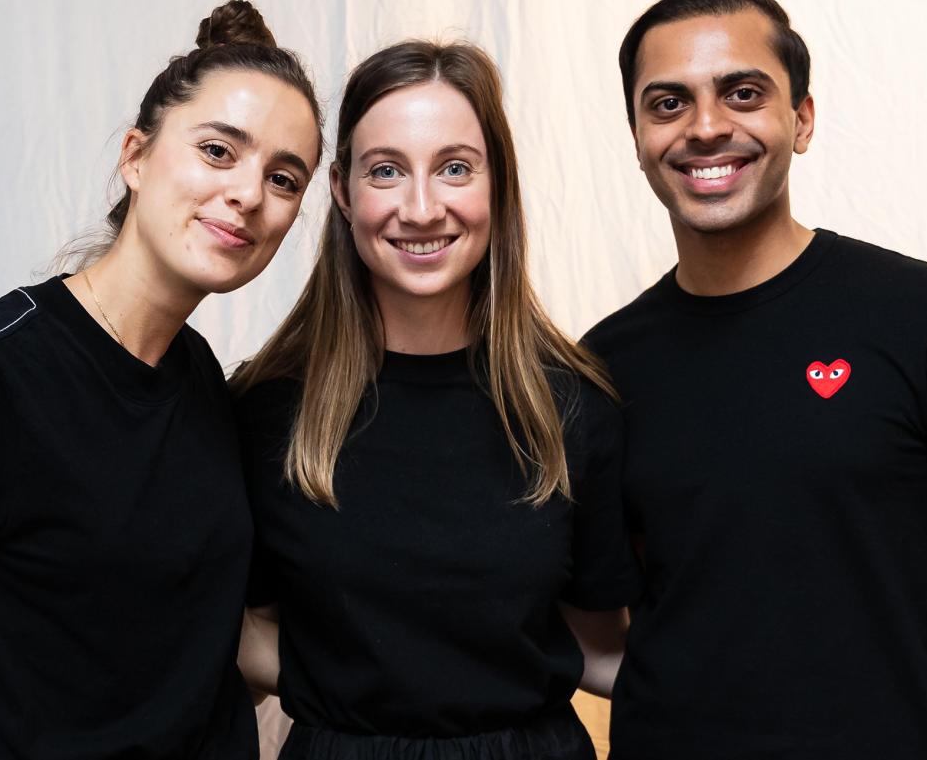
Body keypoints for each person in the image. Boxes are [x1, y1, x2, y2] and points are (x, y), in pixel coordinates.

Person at [0, 0, 323, 759]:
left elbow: (214, 635)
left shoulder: (211, 391)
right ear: (135, 155)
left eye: (284, 177)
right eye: (219, 152)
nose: (249, 193)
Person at [583, 0, 927, 760]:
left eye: (742, 93)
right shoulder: (598, 366)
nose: (705, 127)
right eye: (667, 103)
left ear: (801, 119)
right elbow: (595, 633)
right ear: (636, 137)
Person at [232, 40, 641, 760]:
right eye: (386, 170)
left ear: (496, 185)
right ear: (341, 189)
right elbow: (239, 625)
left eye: (454, 168)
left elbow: (596, 643)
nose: (421, 208)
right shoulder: (267, 409)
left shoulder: (573, 407)